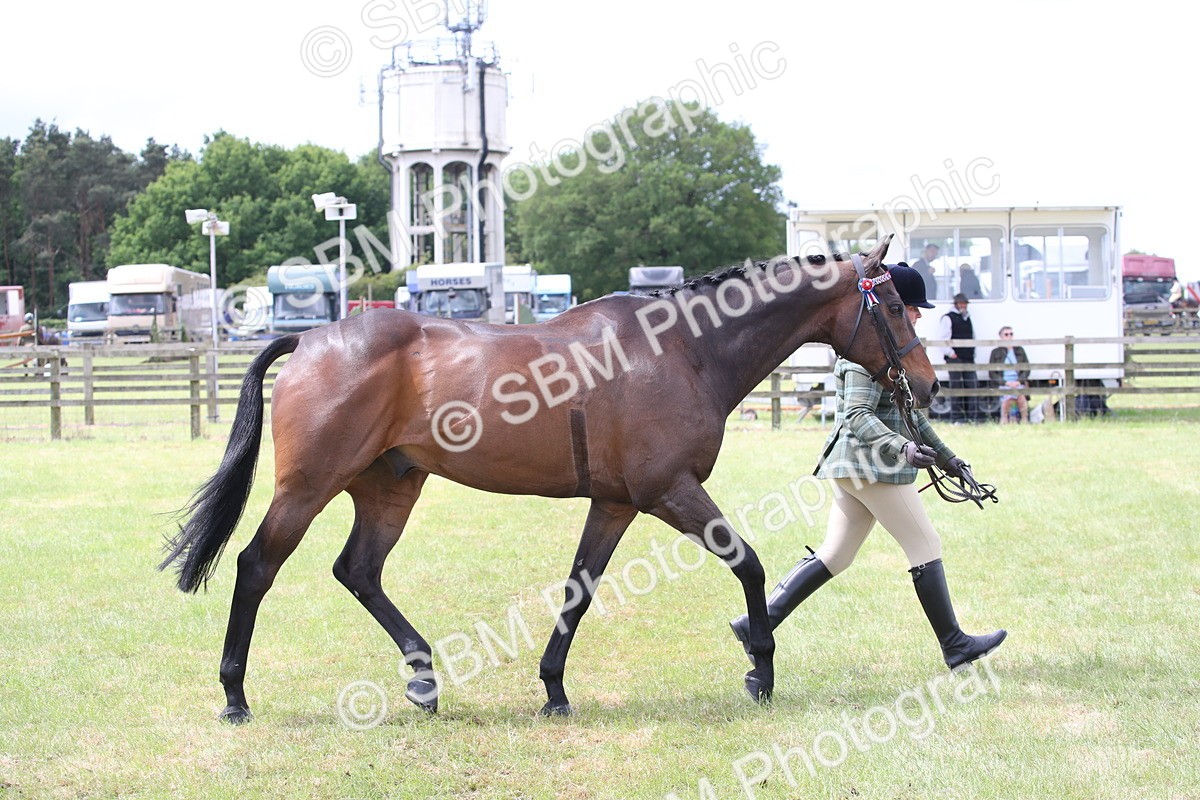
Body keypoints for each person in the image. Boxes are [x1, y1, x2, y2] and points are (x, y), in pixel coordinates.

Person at [729, 264, 1006, 673]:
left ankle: (757, 623)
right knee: (925, 545)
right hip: (871, 466)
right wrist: (902, 448)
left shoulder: (893, 348)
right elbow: (857, 413)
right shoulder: (866, 351)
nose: (917, 315)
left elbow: (912, 414)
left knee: (835, 555)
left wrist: (949, 458)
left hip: (862, 466)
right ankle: (956, 646)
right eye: (913, 308)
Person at [939, 293, 978, 422]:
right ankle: (956, 417)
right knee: (956, 387)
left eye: (964, 303)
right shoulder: (948, 318)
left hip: (968, 356)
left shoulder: (968, 318)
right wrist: (952, 354)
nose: (963, 306)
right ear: (956, 304)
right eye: (960, 303)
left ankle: (972, 416)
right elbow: (944, 338)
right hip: (955, 357)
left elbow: (972, 336)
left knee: (971, 386)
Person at [988, 327, 1029, 424]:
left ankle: (1024, 419)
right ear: (1001, 337)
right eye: (1006, 334)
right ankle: (1005, 419)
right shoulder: (996, 352)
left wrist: (1019, 381)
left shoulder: (1020, 350)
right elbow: (992, 373)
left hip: (1017, 381)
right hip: (1004, 382)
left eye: (1011, 334)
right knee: (1007, 397)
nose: (1009, 337)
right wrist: (1006, 382)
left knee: (1020, 396)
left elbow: (1027, 369)